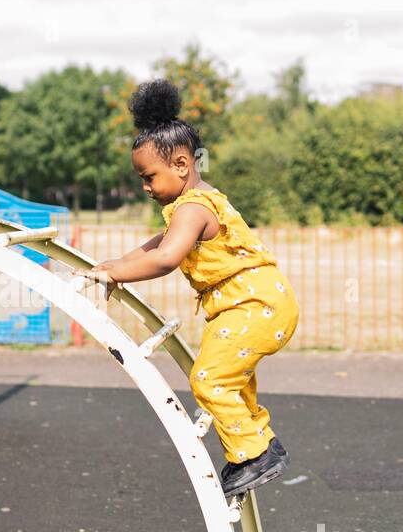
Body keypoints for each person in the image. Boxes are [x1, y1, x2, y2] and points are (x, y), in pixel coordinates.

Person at [75, 79, 299, 496]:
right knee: (234, 381)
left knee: (209, 379)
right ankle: (251, 450)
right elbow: (155, 245)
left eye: (148, 177)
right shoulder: (192, 203)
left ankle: (257, 454)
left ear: (181, 165)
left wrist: (118, 274)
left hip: (254, 305)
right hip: (250, 305)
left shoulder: (194, 207)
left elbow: (165, 258)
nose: (145, 186)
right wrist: (114, 266)